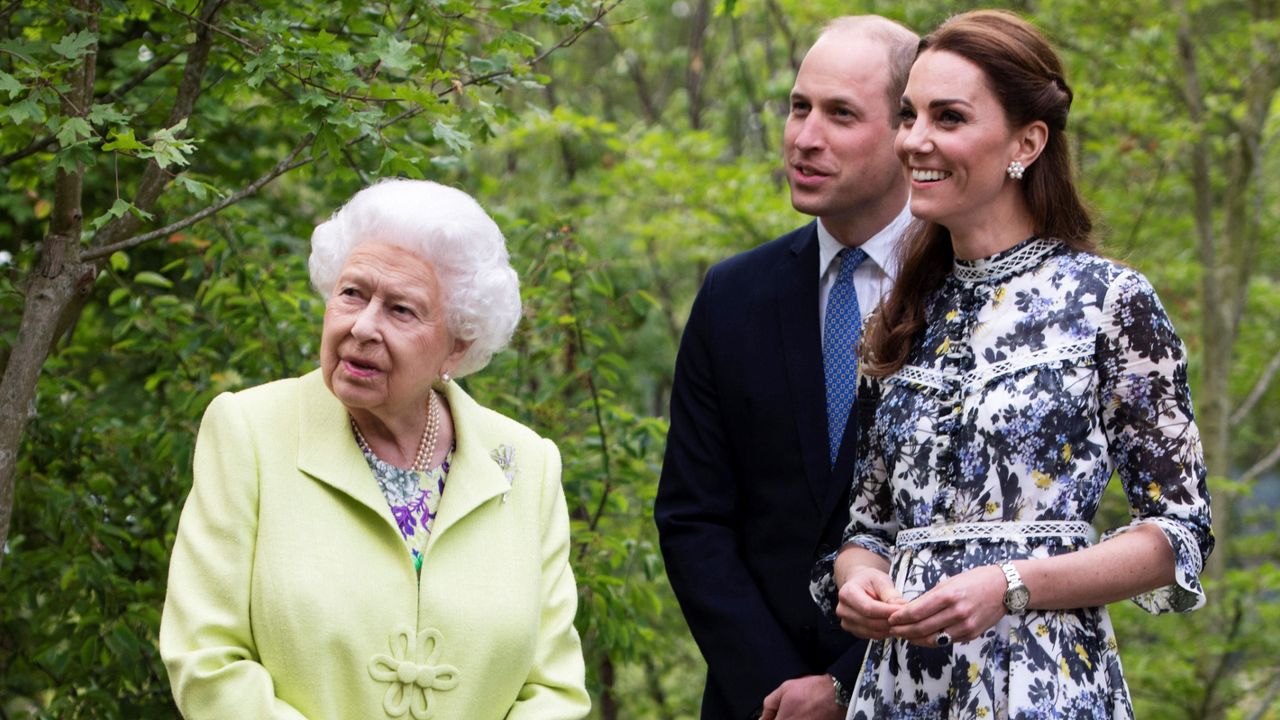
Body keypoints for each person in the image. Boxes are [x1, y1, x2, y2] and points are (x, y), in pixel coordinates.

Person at [811, 10, 1214, 719]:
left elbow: (1178, 533)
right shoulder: (901, 314)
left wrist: (1009, 584)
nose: (915, 140)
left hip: (1045, 684)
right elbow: (867, 527)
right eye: (908, 115)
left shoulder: (1110, 302)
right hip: (899, 690)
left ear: (1026, 142)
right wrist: (859, 581)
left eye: (949, 117)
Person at [159, 179, 590, 719]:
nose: (362, 327)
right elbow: (208, 662)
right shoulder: (248, 430)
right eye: (352, 293)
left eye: (401, 310)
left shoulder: (526, 464)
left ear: (457, 343)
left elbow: (556, 690)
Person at [655, 16, 919, 720]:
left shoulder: (964, 294)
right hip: (757, 704)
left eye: (840, 114)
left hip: (921, 692)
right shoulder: (733, 294)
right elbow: (692, 518)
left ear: (906, 130)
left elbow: (982, 533)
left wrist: (845, 686)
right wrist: (776, 686)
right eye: (800, 107)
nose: (805, 136)